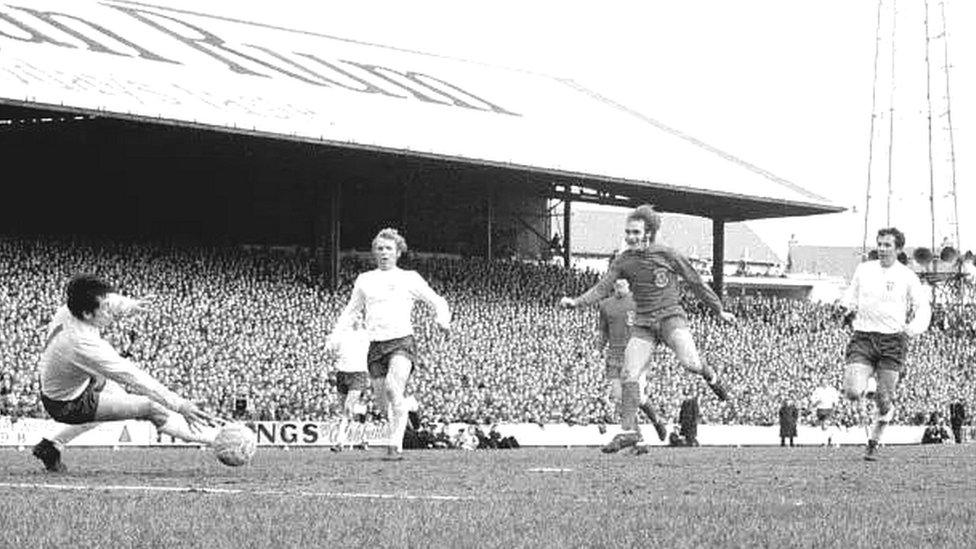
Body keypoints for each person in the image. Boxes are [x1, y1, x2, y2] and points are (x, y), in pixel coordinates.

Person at [559, 204, 735, 453]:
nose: (630, 237)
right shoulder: (624, 261)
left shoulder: (667, 254)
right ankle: (628, 431)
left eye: (635, 232)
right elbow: (602, 287)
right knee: (629, 374)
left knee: (690, 363)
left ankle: (710, 375)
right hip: (643, 322)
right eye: (628, 232)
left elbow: (695, 281)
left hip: (670, 317)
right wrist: (576, 302)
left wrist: (718, 309)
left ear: (649, 233)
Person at [32, 274, 215, 472]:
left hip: (74, 382)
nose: (112, 311)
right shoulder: (83, 344)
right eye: (106, 309)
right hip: (67, 404)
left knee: (120, 401)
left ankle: (50, 446)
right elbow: (133, 377)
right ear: (87, 314)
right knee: (151, 407)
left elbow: (109, 299)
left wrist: (130, 305)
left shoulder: (70, 309)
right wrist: (180, 404)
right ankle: (216, 440)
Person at [330, 228, 451, 460]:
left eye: (388, 248)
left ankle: (395, 445)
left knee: (393, 388)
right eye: (379, 248)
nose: (384, 252)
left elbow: (437, 300)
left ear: (398, 252)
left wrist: (442, 320)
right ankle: (409, 408)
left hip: (401, 342)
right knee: (385, 404)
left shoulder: (409, 278)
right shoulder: (365, 280)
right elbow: (350, 311)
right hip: (376, 346)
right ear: (374, 253)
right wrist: (334, 336)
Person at [839, 227, 931, 461]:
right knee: (851, 392)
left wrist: (913, 328)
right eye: (879, 244)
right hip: (864, 337)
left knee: (884, 401)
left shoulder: (906, 276)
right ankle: (870, 382)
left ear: (898, 249)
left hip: (892, 341)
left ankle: (875, 438)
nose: (882, 248)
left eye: (887, 245)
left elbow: (922, 306)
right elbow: (851, 294)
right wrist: (844, 306)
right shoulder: (864, 269)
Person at [596, 278, 667, 441]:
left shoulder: (639, 301)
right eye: (617, 281)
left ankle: (654, 423)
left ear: (629, 284)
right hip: (614, 355)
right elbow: (603, 331)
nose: (619, 284)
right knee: (620, 396)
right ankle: (638, 433)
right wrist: (598, 348)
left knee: (636, 396)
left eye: (623, 282)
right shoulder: (605, 305)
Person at [324, 319, 370, 452]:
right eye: (355, 318)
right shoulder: (342, 333)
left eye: (359, 318)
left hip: (358, 374)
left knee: (348, 408)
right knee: (348, 410)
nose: (356, 321)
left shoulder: (366, 335)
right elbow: (330, 347)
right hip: (342, 374)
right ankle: (363, 437)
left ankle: (340, 441)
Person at [809, 379, 841, 446]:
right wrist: (816, 403)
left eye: (826, 382)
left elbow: (835, 399)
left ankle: (827, 441)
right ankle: (827, 440)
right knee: (823, 426)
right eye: (823, 382)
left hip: (829, 409)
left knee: (826, 424)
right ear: (821, 383)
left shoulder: (832, 390)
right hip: (820, 409)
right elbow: (813, 399)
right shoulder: (817, 390)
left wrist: (835, 405)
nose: (824, 384)